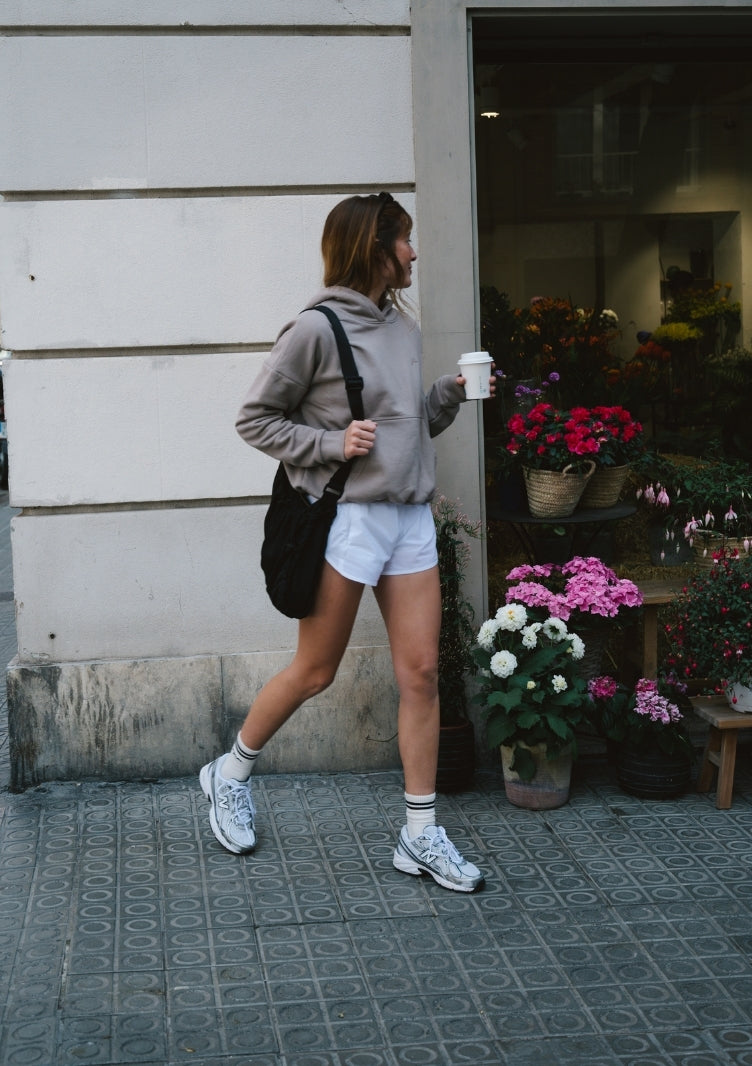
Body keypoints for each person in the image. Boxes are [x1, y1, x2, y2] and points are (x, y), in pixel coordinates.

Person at [200, 191, 489, 893]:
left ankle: (419, 835)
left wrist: (445, 397)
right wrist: (329, 442)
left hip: (409, 516)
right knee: (316, 671)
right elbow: (254, 419)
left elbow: (403, 429)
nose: (415, 253)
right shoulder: (314, 329)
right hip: (348, 520)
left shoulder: (401, 326)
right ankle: (229, 772)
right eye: (405, 241)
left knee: (420, 674)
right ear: (375, 247)